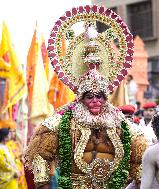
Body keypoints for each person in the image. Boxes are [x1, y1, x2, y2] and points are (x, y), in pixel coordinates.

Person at [24, 5, 147, 189]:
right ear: (81, 98)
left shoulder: (120, 121)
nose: (96, 101)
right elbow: (41, 153)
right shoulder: (64, 120)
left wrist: (139, 181)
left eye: (100, 96)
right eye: (90, 96)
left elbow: (139, 153)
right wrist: (43, 185)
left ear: (106, 98)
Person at [6, 123, 28, 189]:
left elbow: (21, 156)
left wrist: (22, 156)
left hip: (20, 167)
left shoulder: (16, 143)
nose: (13, 133)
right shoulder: (6, 144)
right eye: (11, 131)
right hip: (13, 169)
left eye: (14, 131)